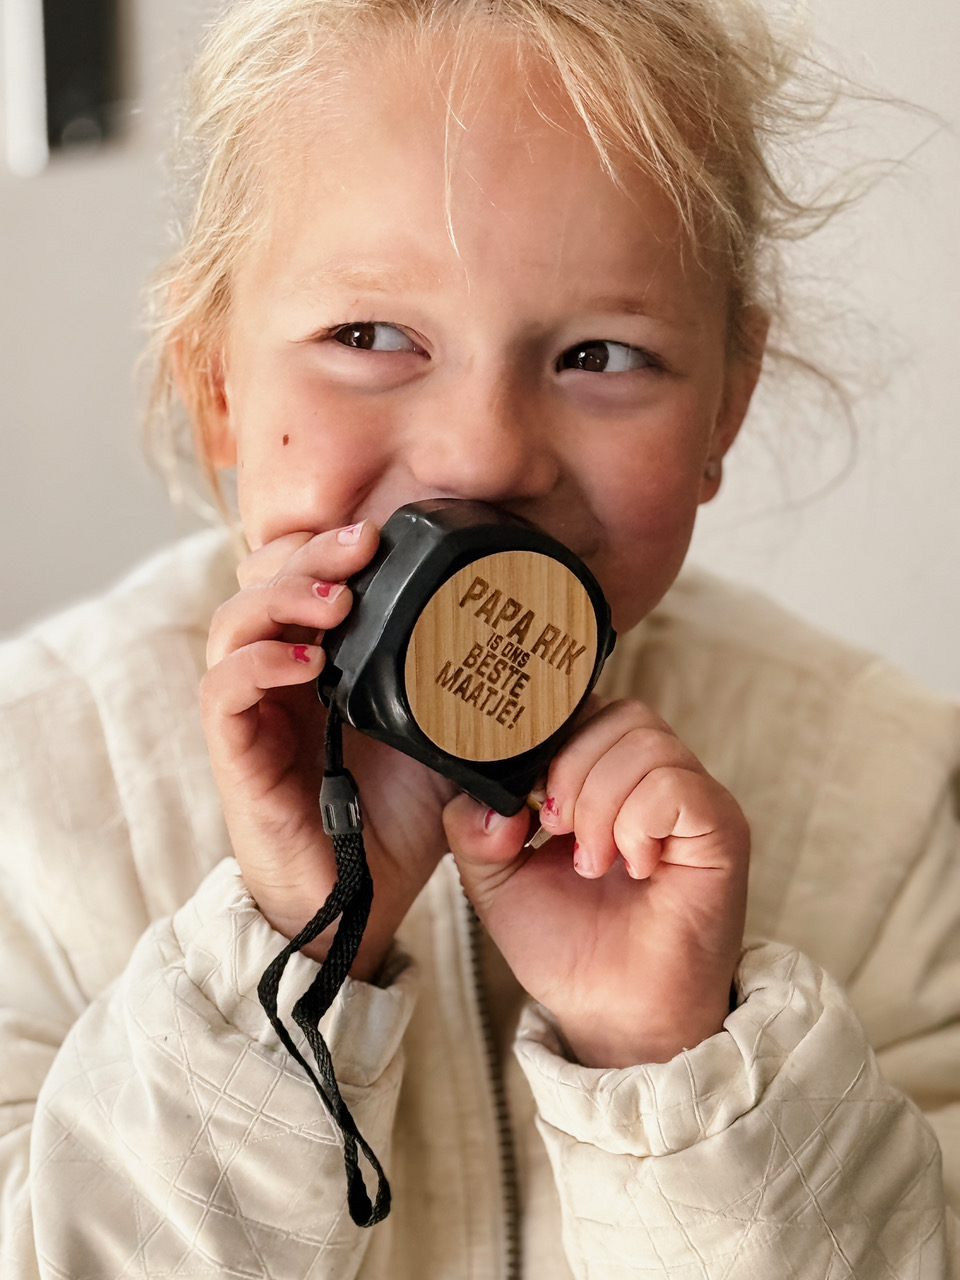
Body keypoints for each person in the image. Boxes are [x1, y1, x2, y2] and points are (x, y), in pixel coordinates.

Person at [1, 0, 957, 1274]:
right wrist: (297, 946)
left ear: (726, 405)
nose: (484, 454)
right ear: (216, 381)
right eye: (370, 337)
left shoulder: (879, 785)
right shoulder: (32, 785)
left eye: (601, 353)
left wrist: (672, 1064)